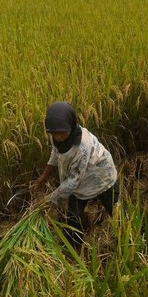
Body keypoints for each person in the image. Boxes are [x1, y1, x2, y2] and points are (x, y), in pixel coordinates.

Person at [32, 102, 119, 248]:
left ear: (71, 125)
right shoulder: (57, 132)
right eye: (55, 134)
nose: (59, 137)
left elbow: (72, 182)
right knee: (73, 218)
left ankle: (127, 240)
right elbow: (55, 152)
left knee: (116, 212)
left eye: (63, 133)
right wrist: (43, 176)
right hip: (80, 180)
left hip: (102, 177)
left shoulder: (82, 146)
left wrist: (48, 200)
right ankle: (74, 248)